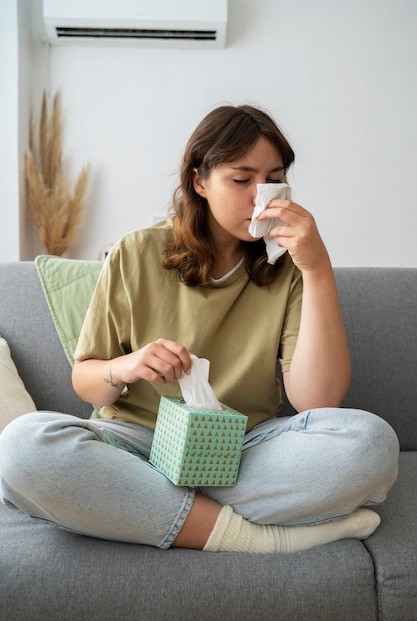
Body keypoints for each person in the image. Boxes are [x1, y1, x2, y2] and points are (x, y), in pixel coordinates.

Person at [0, 104, 399, 554]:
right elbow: (88, 384)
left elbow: (317, 401)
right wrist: (129, 366)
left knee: (372, 444)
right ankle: (253, 538)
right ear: (199, 181)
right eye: (241, 178)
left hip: (242, 451)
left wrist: (318, 268)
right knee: (21, 446)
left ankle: (140, 504)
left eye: (273, 178)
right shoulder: (136, 251)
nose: (261, 195)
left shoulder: (290, 269)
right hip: (135, 444)